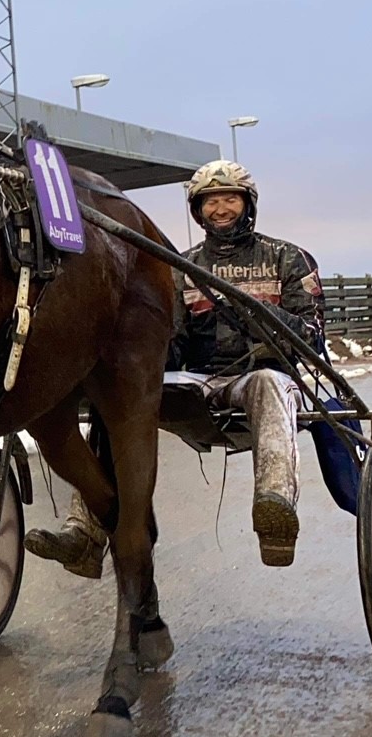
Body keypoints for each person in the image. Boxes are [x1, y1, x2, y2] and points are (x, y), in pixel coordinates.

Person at [25, 159, 325, 572]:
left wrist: (257, 312)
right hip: (195, 382)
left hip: (257, 380)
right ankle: (85, 534)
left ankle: (275, 510)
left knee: (271, 382)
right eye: (211, 202)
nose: (220, 209)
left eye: (229, 199)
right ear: (197, 211)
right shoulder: (180, 268)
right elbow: (171, 340)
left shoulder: (288, 259)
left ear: (248, 204)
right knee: (113, 396)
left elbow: (310, 335)